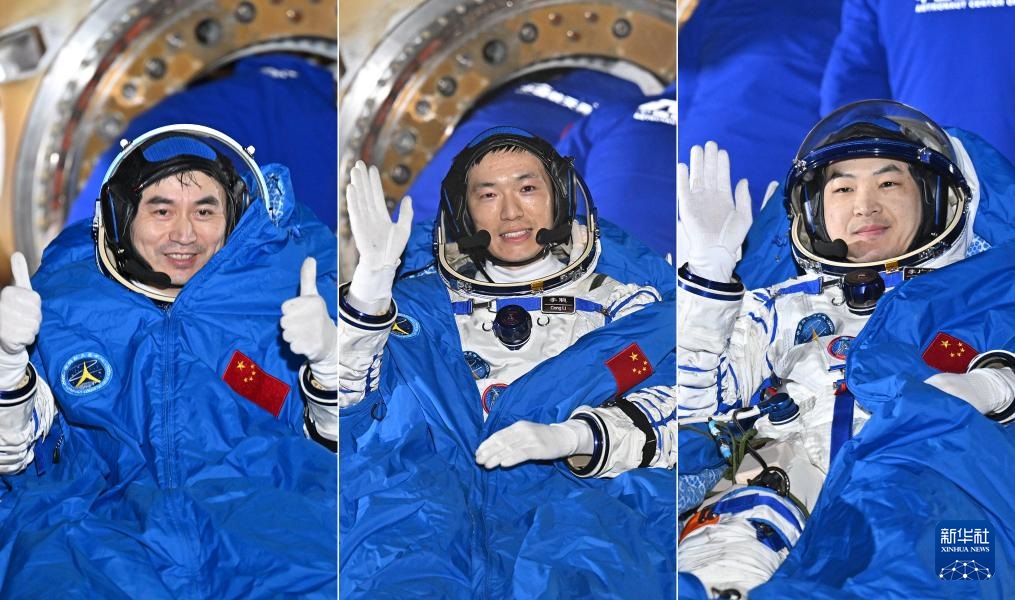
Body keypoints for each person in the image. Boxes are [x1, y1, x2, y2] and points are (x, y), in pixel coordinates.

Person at [676, 100, 1015, 597]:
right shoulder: (779, 309)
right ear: (815, 211)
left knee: (954, 565)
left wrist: (992, 385)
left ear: (934, 199)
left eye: (889, 183)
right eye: (842, 188)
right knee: (727, 548)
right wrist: (708, 286)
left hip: (926, 492)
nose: (865, 205)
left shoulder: (983, 299)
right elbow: (693, 416)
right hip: (783, 493)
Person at [0, 125, 338, 597]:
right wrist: (8, 366)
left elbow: (339, 446)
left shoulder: (284, 299)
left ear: (233, 215)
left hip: (268, 531)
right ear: (121, 216)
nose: (184, 234)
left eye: (205, 211)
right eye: (161, 211)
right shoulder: (64, 308)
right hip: (98, 538)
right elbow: (13, 457)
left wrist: (329, 364)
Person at [339, 127, 676, 597]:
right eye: (488, 195)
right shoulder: (411, 311)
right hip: (431, 525)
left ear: (559, 197)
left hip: (571, 525)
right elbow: (350, 417)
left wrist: (577, 437)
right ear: (464, 212)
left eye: (527, 188)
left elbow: (679, 408)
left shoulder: (622, 307)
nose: (511, 212)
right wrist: (370, 292)